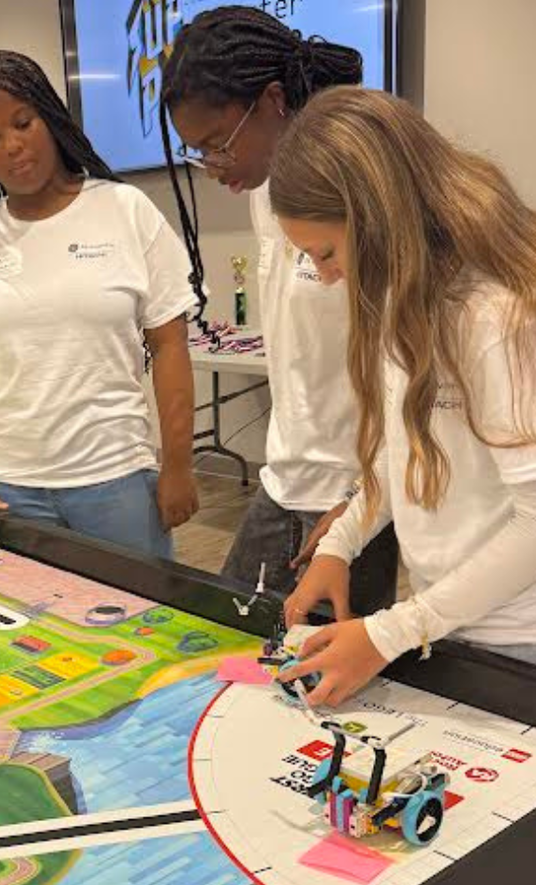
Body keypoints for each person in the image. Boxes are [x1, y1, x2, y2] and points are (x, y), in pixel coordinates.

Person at [268, 87, 536, 706]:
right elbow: (406, 450)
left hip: (520, 640)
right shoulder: (405, 295)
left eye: (328, 254)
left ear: (375, 214)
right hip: (451, 620)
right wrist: (338, 546)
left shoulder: (492, 313)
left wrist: (394, 628)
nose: (328, 276)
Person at [161, 5, 398, 610]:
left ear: (272, 103)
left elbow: (408, 373)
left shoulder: (364, 196)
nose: (214, 167)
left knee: (327, 673)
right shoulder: (267, 192)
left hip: (360, 495)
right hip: (283, 480)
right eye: (199, 153)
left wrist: (361, 503)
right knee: (229, 636)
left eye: (217, 145)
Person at [0, 50, 199, 559]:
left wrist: (179, 467)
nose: (12, 145)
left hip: (116, 479)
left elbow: (169, 345)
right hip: (6, 490)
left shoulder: (125, 210)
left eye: (23, 123)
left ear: (50, 117)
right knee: (29, 631)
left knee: (142, 627)